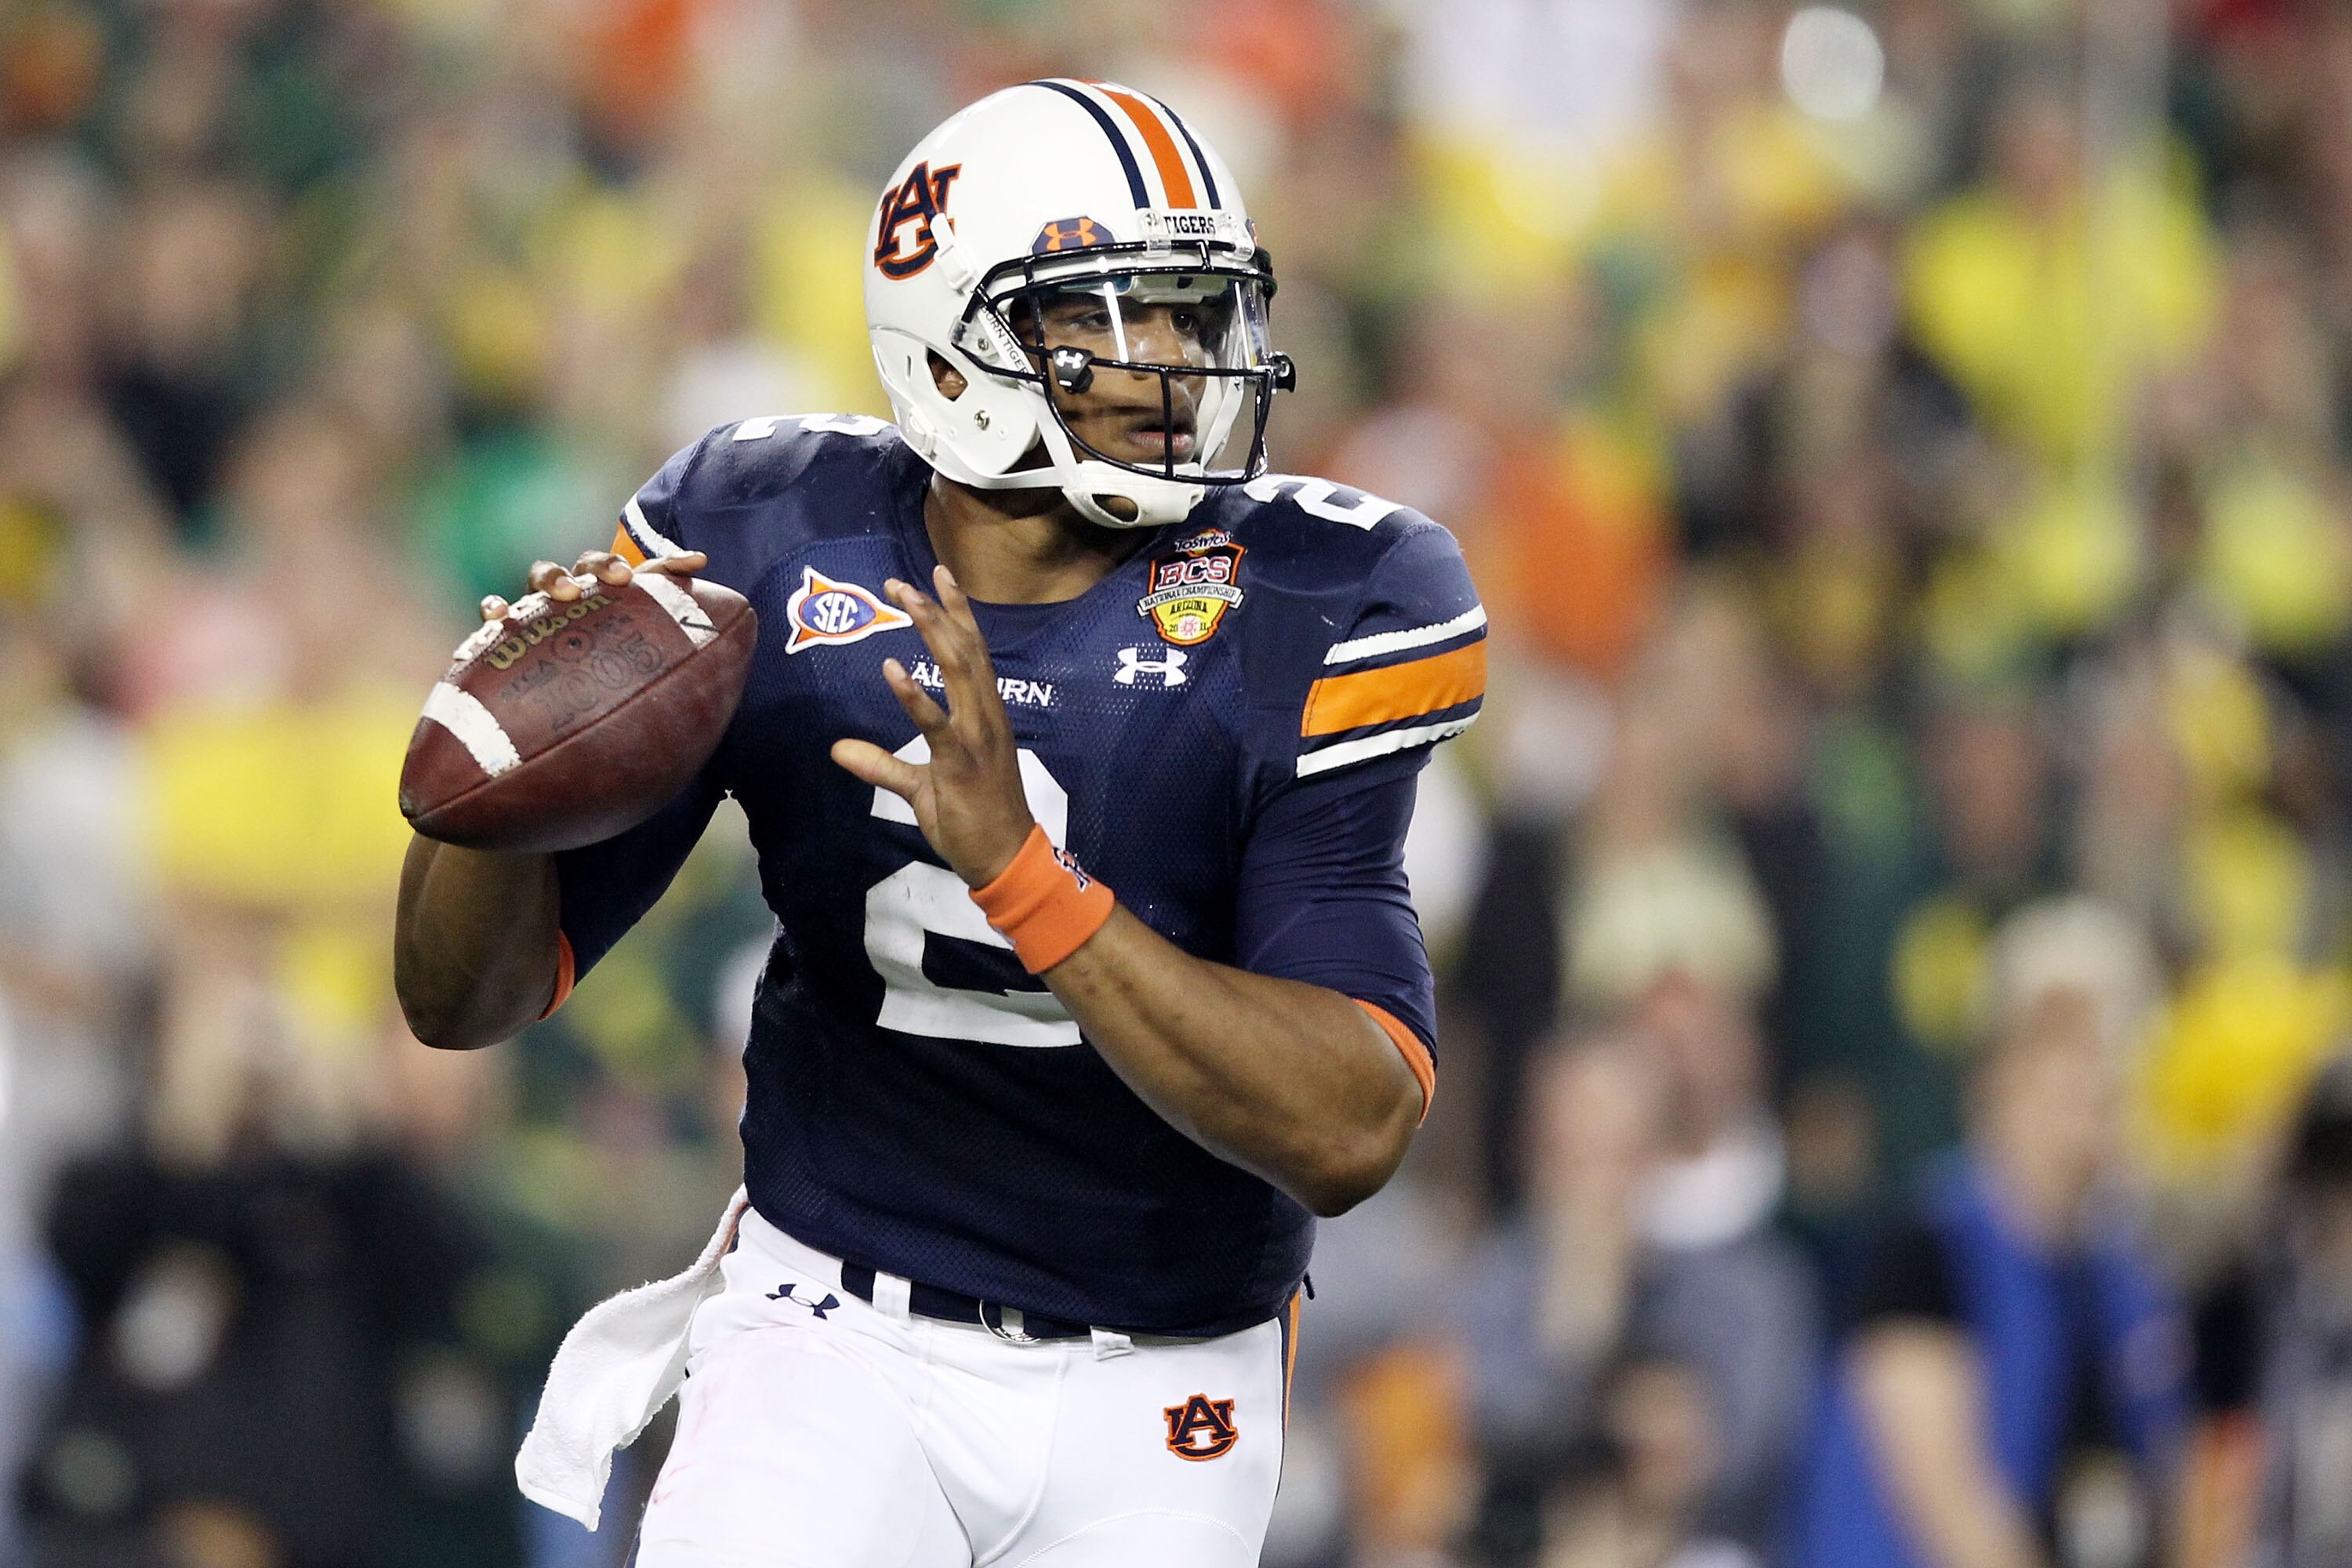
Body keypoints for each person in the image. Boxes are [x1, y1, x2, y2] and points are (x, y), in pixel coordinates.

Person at [393, 80, 1485, 1567]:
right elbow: (465, 1002)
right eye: (1116, 317)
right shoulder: (770, 538)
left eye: (1193, 312)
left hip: (1167, 1372)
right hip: (832, 1320)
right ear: (957, 344)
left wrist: (1027, 881)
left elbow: (1354, 1125)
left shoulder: (1316, 599)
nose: (1178, 360)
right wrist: (489, 787)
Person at [1796, 898, 2187, 1568]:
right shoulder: (1924, 1248)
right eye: (2060, 1044)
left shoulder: (2127, 1274)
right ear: (1996, 1069)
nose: (2092, 1071)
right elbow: (1952, 1514)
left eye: (2111, 1044)